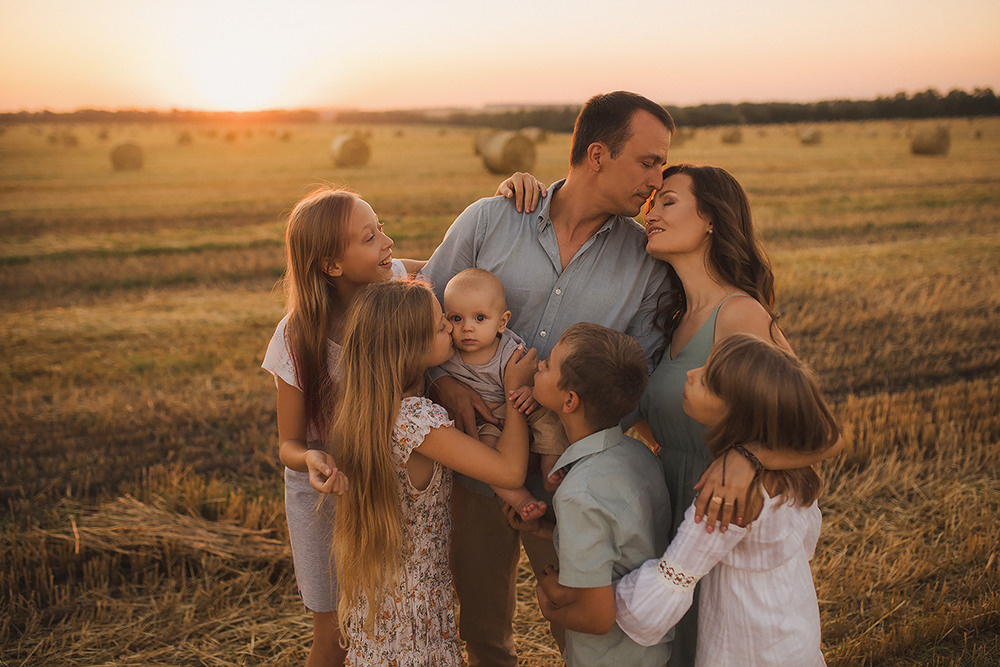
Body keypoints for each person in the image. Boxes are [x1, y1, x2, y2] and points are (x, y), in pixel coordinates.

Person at [420, 90, 675, 665]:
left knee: (584, 637)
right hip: (475, 465)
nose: (657, 179)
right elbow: (418, 314)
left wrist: (571, 461)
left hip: (571, 486)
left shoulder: (646, 260)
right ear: (597, 155)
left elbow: (639, 375)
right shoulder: (491, 219)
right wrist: (442, 383)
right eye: (649, 160)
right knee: (482, 630)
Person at [328, 280, 537, 665]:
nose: (454, 330)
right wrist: (514, 391)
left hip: (381, 597)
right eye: (444, 325)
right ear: (413, 348)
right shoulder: (418, 421)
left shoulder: (366, 408)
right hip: (413, 611)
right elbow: (508, 472)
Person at [615, 333, 838, 666]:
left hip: (744, 647)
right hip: (794, 633)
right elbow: (805, 544)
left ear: (739, 415)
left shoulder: (725, 494)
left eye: (705, 381)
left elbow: (673, 578)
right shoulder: (794, 474)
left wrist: (602, 597)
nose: (691, 374)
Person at [506, 323, 672, 666]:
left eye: (549, 364)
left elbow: (597, 619)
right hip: (652, 651)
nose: (539, 365)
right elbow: (624, 543)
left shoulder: (577, 494)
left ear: (569, 401)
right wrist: (547, 531)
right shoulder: (640, 455)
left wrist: (548, 604)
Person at [439, 268, 570, 520]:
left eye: (479, 318)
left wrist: (530, 392)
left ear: (501, 321)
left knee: (549, 420)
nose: (467, 328)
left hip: (520, 400)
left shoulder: (510, 349)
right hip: (487, 418)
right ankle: (521, 500)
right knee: (486, 454)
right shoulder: (448, 352)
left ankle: (550, 464)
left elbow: (530, 374)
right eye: (456, 319)